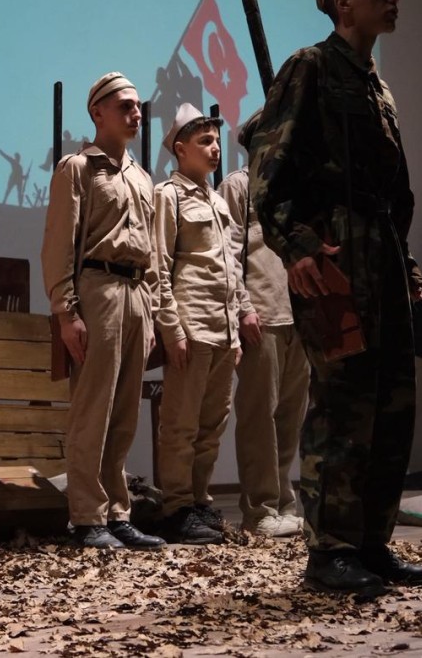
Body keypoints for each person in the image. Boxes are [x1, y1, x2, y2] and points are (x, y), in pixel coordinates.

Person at [248, 0, 422, 595]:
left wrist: (406, 262)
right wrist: (295, 246)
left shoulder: (378, 87)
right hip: (332, 256)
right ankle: (330, 550)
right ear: (343, 3)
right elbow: (268, 173)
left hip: (381, 254)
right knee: (341, 404)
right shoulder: (310, 67)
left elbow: (392, 192)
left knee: (391, 406)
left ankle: (371, 543)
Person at [41, 72, 167, 551]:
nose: (135, 114)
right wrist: (66, 311)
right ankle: (87, 515)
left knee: (124, 412)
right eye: (124, 106)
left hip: (135, 294)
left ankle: (117, 511)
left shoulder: (142, 177)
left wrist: (150, 311)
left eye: (137, 106)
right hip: (98, 289)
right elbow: (59, 243)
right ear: (97, 112)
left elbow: (151, 251)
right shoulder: (77, 168)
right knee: (93, 407)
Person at [153, 103, 247, 545]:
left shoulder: (218, 201)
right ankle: (176, 507)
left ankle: (199, 500)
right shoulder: (167, 196)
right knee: (181, 423)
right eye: (204, 141)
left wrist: (237, 329)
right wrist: (171, 328)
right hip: (192, 325)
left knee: (212, 424)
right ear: (180, 149)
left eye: (215, 140)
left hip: (223, 328)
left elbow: (232, 268)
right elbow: (159, 266)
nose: (214, 148)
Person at [219, 109, 310, 538]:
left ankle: (284, 503)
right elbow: (227, 254)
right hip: (261, 313)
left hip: (298, 315)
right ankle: (259, 509)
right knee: (259, 417)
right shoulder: (238, 186)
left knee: (291, 416)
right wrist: (242, 308)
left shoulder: (294, 192)